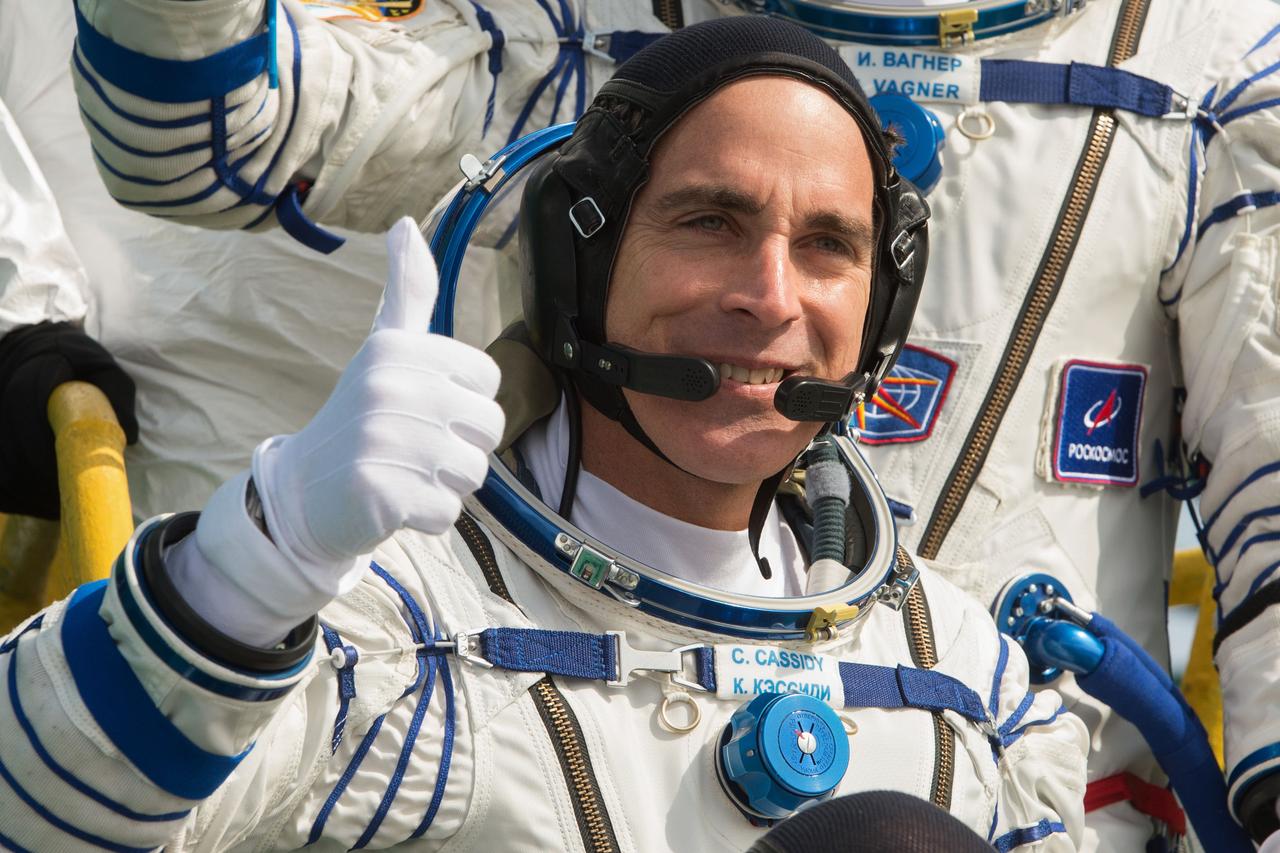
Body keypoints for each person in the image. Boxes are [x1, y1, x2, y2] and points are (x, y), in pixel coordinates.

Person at [49, 0, 1280, 847]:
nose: (767, 298)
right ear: (572, 252)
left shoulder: (975, 697)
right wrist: (251, 568)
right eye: (705, 221)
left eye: (827, 246)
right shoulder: (409, 648)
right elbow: (196, 133)